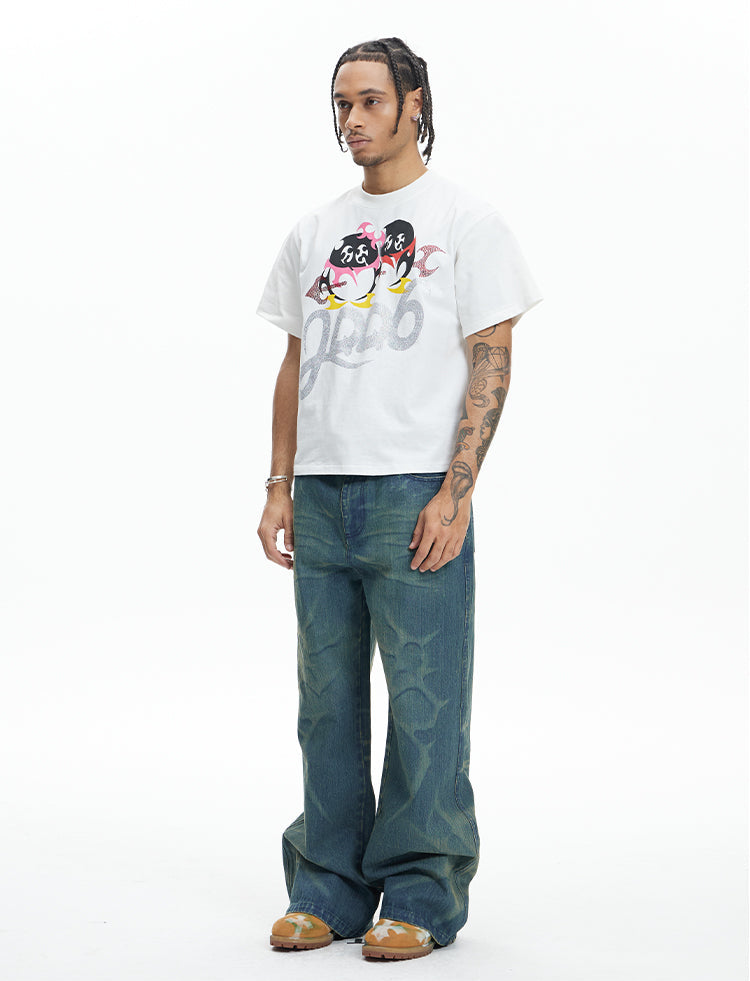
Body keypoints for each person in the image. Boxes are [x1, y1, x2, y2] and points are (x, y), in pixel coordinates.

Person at [255, 36, 543, 961]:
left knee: (425, 700)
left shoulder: (466, 221)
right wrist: (279, 483)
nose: (352, 120)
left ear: (415, 101)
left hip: (415, 488)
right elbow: (295, 361)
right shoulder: (314, 230)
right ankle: (328, 887)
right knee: (325, 703)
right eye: (341, 104)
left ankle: (422, 890)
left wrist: (457, 490)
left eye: (371, 101)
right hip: (322, 492)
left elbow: (493, 356)